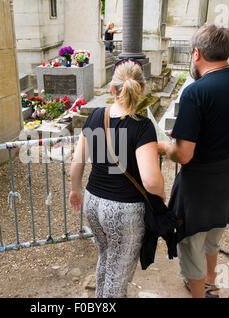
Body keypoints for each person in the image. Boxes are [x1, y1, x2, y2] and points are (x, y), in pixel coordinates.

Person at [158, 24, 229, 298]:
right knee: (213, 236)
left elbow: (185, 154)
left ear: (196, 53)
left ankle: (200, 293)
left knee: (191, 243)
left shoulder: (196, 92)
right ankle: (211, 284)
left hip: (201, 184)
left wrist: (167, 147)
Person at [69, 60, 165, 298]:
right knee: (118, 271)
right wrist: (161, 197)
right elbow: (151, 181)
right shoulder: (142, 128)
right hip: (124, 210)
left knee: (106, 255)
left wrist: (74, 190)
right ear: (142, 88)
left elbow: (77, 162)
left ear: (112, 89)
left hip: (93, 201)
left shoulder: (95, 117)